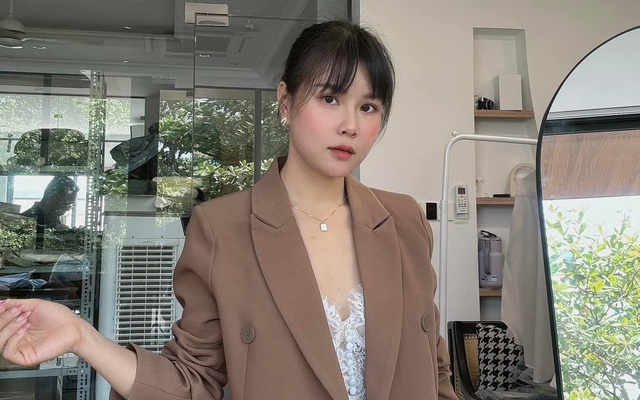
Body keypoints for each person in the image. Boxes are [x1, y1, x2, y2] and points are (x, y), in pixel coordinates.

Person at [0, 20, 457, 400]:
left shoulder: (404, 220)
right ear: (285, 101)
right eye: (330, 98)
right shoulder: (221, 229)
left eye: (369, 106)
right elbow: (193, 382)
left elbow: (434, 371)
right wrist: (82, 336)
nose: (350, 125)